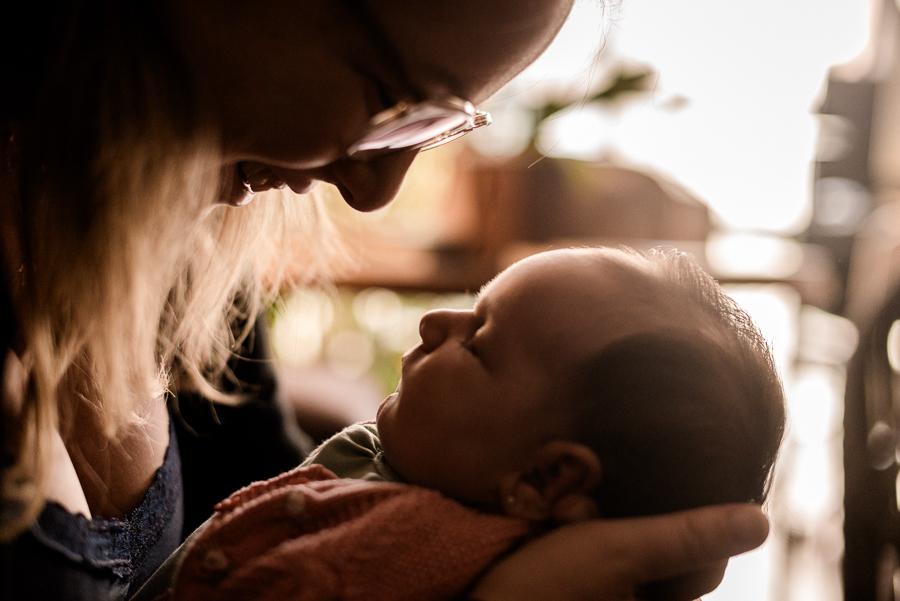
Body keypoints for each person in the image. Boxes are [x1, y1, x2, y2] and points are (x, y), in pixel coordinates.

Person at [0, 0, 772, 599]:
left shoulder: (184, 250)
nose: (376, 189)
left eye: (437, 124)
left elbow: (282, 490)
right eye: (393, 101)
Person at [149, 246, 784, 600]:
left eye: (478, 343)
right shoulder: (412, 474)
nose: (434, 324)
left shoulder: (399, 556)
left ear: (545, 477)